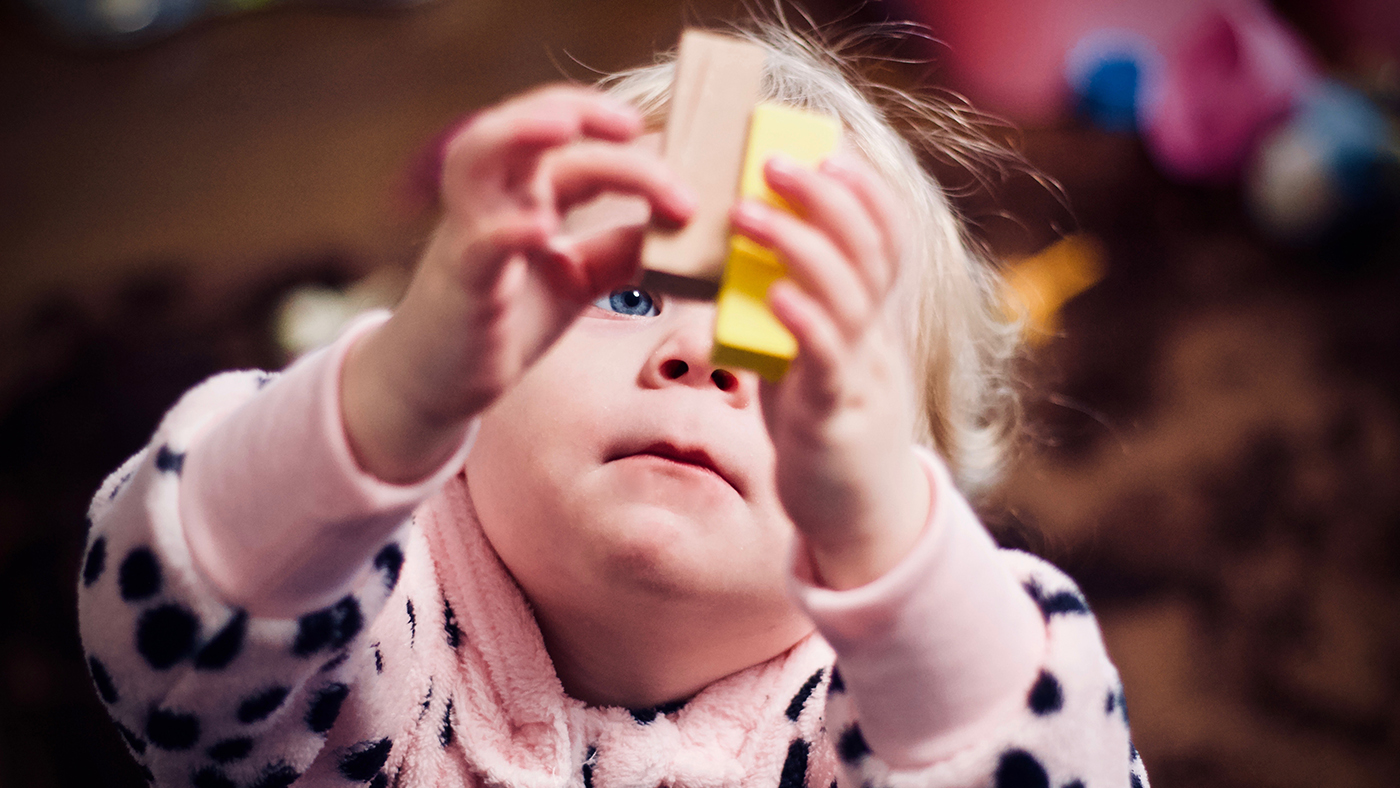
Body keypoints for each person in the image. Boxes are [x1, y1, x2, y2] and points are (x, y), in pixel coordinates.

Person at [77, 20, 1150, 788]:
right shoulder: (364, 612)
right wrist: (391, 391)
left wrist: (892, 551)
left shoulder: (877, 725)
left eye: (792, 344)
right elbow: (169, 636)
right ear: (475, 384)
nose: (699, 351)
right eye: (630, 294)